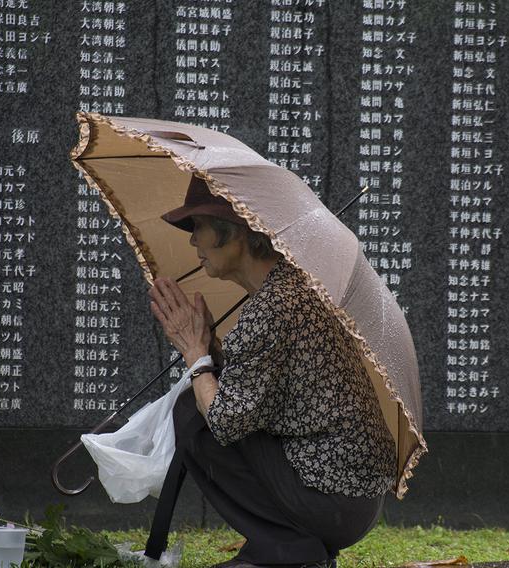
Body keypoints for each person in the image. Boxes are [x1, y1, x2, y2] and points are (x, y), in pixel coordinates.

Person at [145, 177, 396, 568]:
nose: (193, 241)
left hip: (333, 499)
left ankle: (288, 552)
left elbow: (226, 421)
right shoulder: (292, 288)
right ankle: (292, 548)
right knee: (197, 406)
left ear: (234, 234)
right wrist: (210, 349)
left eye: (198, 227)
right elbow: (258, 391)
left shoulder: (274, 307)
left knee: (193, 416)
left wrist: (195, 355)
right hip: (347, 497)